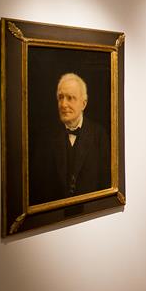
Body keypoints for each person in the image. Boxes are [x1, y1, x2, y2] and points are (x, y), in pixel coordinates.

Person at [30, 72, 110, 205]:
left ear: (83, 104)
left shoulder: (100, 135)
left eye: (70, 98)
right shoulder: (45, 138)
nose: (63, 104)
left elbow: (106, 183)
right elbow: (37, 186)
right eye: (60, 97)